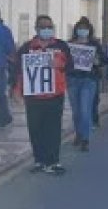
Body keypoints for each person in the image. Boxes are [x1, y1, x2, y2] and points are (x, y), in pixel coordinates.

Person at [16, 15, 71, 175]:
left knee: (53, 129)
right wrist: (17, 90)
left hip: (55, 95)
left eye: (49, 26)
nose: (47, 29)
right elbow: (18, 70)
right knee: (35, 129)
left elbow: (71, 66)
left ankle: (53, 161)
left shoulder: (61, 46)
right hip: (33, 97)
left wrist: (60, 64)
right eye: (43, 26)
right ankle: (39, 160)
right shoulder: (26, 48)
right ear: (36, 29)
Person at [66, 17, 102, 152]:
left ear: (89, 30)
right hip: (72, 79)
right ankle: (79, 134)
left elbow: (103, 60)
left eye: (85, 29)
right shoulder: (69, 44)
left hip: (88, 79)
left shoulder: (95, 44)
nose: (82, 31)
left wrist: (97, 61)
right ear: (76, 30)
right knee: (76, 111)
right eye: (80, 28)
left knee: (85, 110)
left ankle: (86, 139)